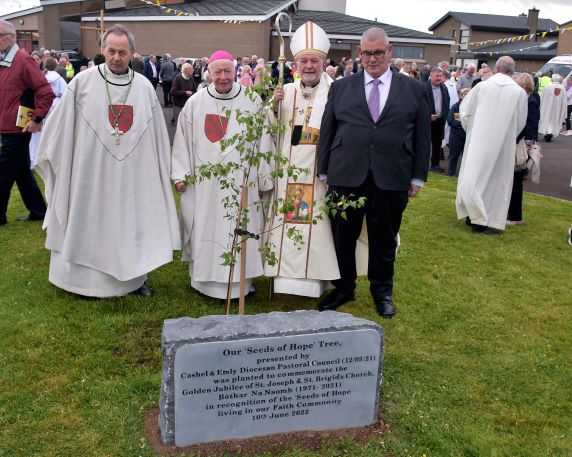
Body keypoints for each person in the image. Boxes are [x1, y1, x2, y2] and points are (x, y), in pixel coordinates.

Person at [35, 24, 180, 298]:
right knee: (88, 219)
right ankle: (82, 283)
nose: (116, 57)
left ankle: (134, 280)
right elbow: (62, 128)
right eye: (111, 51)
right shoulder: (83, 83)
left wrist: (156, 169)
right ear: (102, 50)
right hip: (89, 173)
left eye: (122, 52)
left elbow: (157, 137)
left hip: (132, 174)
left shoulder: (143, 87)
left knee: (130, 221)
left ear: (132, 53)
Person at [317, 27, 431, 317]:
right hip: (346, 175)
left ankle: (382, 292)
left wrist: (418, 176)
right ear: (359, 53)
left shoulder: (414, 89)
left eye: (378, 52)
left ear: (390, 52)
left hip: (392, 176)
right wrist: (323, 171)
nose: (372, 59)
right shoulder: (341, 87)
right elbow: (328, 131)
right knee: (343, 236)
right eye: (367, 53)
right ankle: (344, 288)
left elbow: (422, 137)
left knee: (384, 238)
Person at [171, 50, 273, 300]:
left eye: (228, 71)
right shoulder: (195, 103)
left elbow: (264, 142)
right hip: (204, 183)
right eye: (218, 72)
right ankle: (203, 282)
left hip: (243, 182)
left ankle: (242, 283)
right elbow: (182, 140)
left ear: (235, 72)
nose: (223, 77)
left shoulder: (251, 100)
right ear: (209, 73)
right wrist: (181, 174)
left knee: (241, 226)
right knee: (205, 225)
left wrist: (263, 178)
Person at [265, 21, 340, 298]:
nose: (309, 66)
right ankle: (284, 278)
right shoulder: (286, 91)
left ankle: (317, 280)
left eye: (314, 61)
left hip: (318, 173)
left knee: (317, 228)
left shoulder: (336, 93)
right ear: (296, 63)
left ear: (324, 62)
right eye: (304, 61)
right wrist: (273, 105)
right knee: (288, 223)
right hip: (288, 173)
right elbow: (270, 129)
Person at [456, 56, 527, 235]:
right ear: (512, 70)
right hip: (503, 142)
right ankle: (482, 218)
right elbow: (520, 121)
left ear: (496, 68)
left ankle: (473, 216)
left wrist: (471, 131)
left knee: (474, 176)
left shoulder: (482, 86)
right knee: (495, 181)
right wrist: (509, 135)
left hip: (478, 139)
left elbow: (465, 112)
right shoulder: (518, 92)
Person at [0, 19, 53, 227]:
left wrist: (36, 118)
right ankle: (39, 210)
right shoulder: (6, 60)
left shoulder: (22, 59)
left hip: (17, 127)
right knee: (21, 171)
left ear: (12, 37)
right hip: (9, 125)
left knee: (3, 171)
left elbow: (45, 91)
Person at [507, 73, 540, 226]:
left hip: (521, 145)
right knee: (513, 181)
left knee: (516, 181)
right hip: (518, 143)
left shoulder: (530, 101)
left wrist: (528, 144)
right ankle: (513, 214)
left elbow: (532, 124)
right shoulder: (525, 99)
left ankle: (514, 216)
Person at [29, 57, 68, 168]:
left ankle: (36, 157)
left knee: (41, 133)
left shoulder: (41, 77)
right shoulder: (58, 78)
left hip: (43, 105)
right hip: (53, 104)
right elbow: (65, 92)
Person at [425, 67, 450, 172]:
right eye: (437, 76)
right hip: (427, 121)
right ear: (431, 75)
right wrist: (428, 115)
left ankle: (435, 164)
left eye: (441, 76)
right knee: (424, 143)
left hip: (439, 121)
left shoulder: (444, 88)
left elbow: (447, 102)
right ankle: (422, 164)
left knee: (437, 144)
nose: (439, 78)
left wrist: (445, 115)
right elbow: (420, 104)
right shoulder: (423, 87)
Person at [446, 88, 469, 177]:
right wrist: (463, 123)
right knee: (454, 156)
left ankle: (464, 177)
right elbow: (450, 120)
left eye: (468, 94)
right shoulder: (455, 106)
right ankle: (451, 175)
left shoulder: (473, 108)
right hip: (456, 136)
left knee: (466, 158)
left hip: (467, 136)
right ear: (461, 96)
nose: (466, 96)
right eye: (464, 94)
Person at [538, 74, 567, 142]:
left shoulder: (547, 87)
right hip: (557, 108)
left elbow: (542, 96)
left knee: (547, 119)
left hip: (547, 107)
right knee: (554, 120)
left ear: (552, 79)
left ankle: (548, 132)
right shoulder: (562, 88)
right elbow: (564, 100)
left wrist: (541, 105)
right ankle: (551, 132)